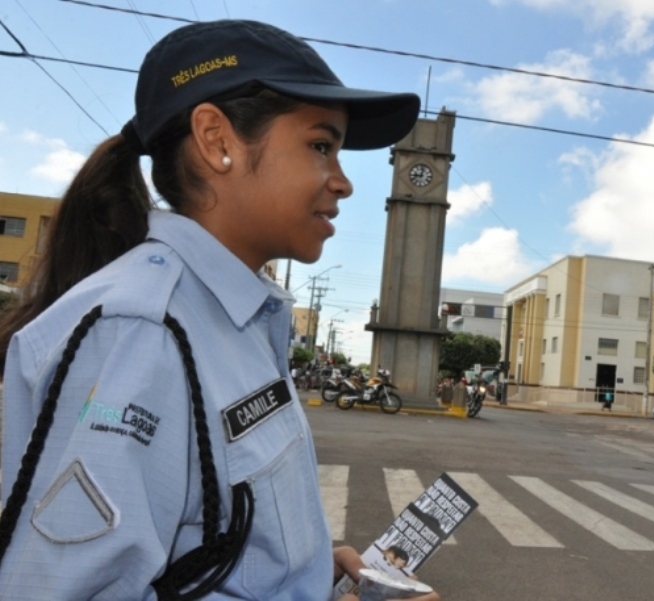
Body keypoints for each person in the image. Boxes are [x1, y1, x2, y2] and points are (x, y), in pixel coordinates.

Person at [0, 19, 440, 601]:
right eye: (320, 145)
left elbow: (210, 536)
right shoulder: (141, 332)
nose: (342, 181)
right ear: (217, 140)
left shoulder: (238, 319)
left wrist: (297, 569)